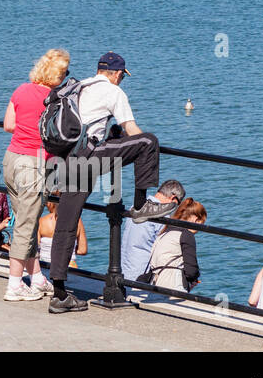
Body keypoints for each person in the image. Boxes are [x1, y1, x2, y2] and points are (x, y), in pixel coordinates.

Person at [48, 52, 177, 314]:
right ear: (118, 74)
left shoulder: (79, 85)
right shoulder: (114, 92)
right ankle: (141, 206)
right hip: (90, 158)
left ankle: (59, 294)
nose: (122, 81)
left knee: (66, 224)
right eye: (122, 77)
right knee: (148, 142)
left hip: (67, 159)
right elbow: (132, 131)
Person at [2, 48, 68, 300]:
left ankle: (37, 277)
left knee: (25, 222)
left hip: (12, 159)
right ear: (57, 75)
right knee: (25, 226)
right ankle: (15, 284)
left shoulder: (20, 90)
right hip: (35, 163)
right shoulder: (55, 99)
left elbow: (8, 124)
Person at [121, 179, 186, 283]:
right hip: (140, 271)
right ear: (173, 198)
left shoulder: (137, 206)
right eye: (177, 204)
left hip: (123, 265)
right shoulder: (162, 215)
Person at [140, 197, 206, 293]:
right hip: (173, 287)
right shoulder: (186, 235)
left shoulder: (163, 234)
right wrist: (193, 280)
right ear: (196, 220)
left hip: (155, 286)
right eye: (201, 225)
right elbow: (191, 271)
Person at [39, 200, 86, 270]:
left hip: (46, 265)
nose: (46, 205)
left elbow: (35, 247)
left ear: (50, 204)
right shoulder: (77, 221)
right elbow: (82, 250)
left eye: (47, 202)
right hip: (69, 265)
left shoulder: (42, 221)